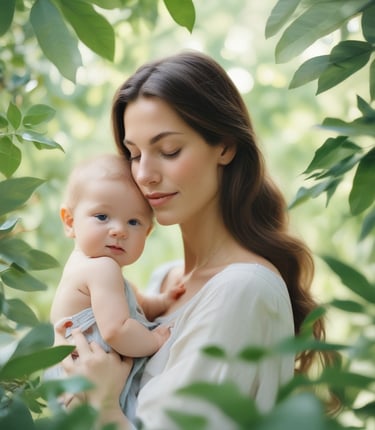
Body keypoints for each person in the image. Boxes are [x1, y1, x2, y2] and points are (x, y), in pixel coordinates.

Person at [62, 51, 332, 429]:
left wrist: (103, 407)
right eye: (133, 154)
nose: (145, 174)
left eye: (169, 150)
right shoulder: (164, 283)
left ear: (224, 145)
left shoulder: (242, 290)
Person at [49, 153, 185, 421]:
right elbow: (115, 330)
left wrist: (162, 301)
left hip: (74, 379)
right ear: (69, 221)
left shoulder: (92, 267)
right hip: (87, 384)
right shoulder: (102, 269)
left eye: (133, 222)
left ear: (147, 232)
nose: (119, 230)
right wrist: (155, 340)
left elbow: (135, 302)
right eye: (102, 216)